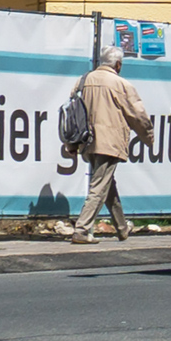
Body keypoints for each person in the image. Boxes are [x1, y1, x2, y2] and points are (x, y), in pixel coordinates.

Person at [66, 45, 155, 245]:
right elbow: (138, 115)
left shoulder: (83, 81)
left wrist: (71, 143)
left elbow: (71, 113)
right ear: (118, 64)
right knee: (99, 186)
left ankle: (122, 228)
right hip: (109, 142)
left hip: (87, 141)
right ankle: (81, 230)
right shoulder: (121, 85)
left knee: (107, 184)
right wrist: (148, 137)